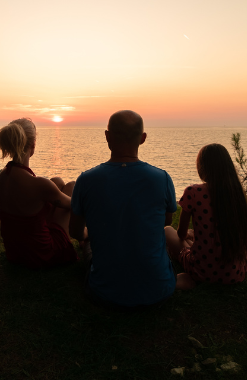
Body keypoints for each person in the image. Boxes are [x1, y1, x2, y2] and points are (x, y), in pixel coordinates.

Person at [69, 110, 177, 309]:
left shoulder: (86, 180)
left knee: (89, 244)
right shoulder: (162, 178)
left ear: (107, 136)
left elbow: (75, 232)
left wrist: (87, 234)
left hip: (104, 294)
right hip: (159, 291)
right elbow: (166, 222)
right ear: (143, 139)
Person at [0, 118, 85, 269]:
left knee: (57, 181)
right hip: (40, 255)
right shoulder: (38, 184)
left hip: (15, 252)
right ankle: (85, 235)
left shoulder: (4, 175)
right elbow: (75, 205)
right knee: (71, 187)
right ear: (33, 145)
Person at [165, 143, 247, 289]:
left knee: (168, 231)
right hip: (236, 273)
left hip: (203, 271)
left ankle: (191, 273)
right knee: (195, 240)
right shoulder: (236, 193)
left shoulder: (193, 192)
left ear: (202, 168)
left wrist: (188, 234)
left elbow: (181, 234)